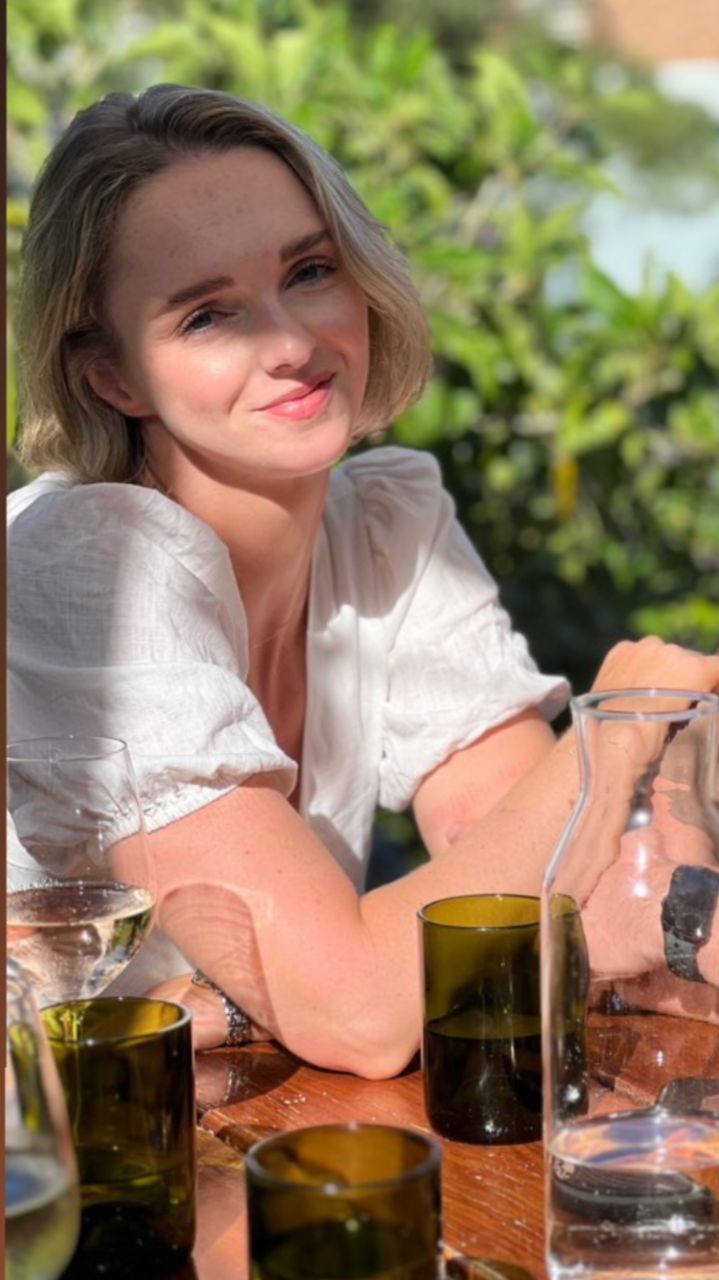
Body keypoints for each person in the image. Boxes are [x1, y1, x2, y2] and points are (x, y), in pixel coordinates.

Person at [8, 84, 719, 1077]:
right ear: (112, 376)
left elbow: (547, 871)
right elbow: (359, 1012)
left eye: (309, 271)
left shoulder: (385, 526)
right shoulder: (84, 567)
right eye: (207, 315)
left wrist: (663, 921)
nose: (292, 344)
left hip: (220, 1122)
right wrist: (620, 729)